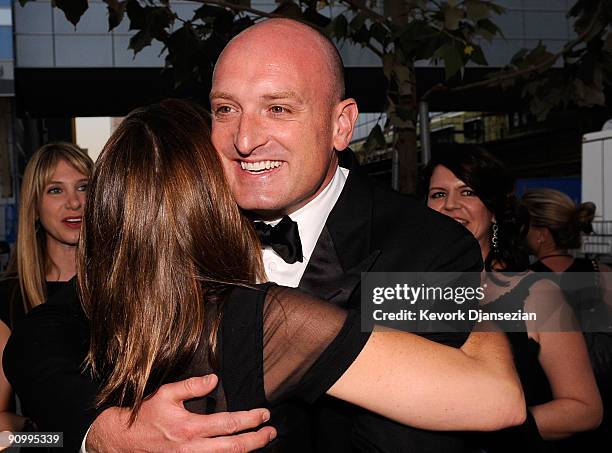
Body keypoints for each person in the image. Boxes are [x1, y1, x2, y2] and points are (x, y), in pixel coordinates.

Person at [5, 19, 517, 453]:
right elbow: (41, 337)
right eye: (226, 109)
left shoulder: (427, 245)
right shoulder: (185, 223)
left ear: (342, 125)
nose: (245, 140)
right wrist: (106, 430)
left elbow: (433, 428)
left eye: (278, 108)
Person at [423, 145, 603, 449]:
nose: (450, 205)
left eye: (467, 192)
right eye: (438, 194)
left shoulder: (537, 293)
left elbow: (585, 409)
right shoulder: (404, 289)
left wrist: (497, 428)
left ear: (493, 211)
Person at [0, 143, 92, 435]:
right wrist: (43, 434)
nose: (74, 203)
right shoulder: (10, 298)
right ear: (34, 208)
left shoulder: (126, 286)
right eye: (55, 190)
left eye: (84, 187)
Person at [521, 187, 612, 450]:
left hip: (549, 411)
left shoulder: (524, 282)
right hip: (604, 405)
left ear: (540, 235)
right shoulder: (601, 273)